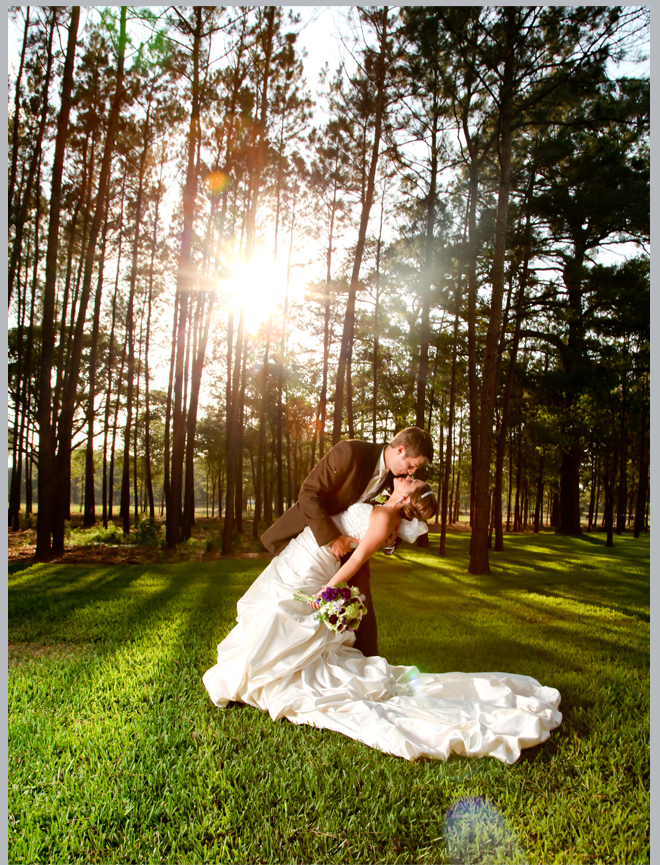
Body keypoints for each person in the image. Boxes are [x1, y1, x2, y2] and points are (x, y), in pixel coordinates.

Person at [203, 478, 562, 764]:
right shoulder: (383, 508)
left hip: (320, 570)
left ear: (407, 497)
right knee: (275, 609)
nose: (404, 478)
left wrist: (325, 593)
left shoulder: (384, 518)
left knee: (282, 613)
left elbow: (356, 561)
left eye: (410, 480)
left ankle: (262, 673)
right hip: (307, 553)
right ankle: (262, 671)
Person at [260, 426, 434, 656]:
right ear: (400, 449)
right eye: (412, 465)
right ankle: (276, 653)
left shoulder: (397, 481)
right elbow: (309, 494)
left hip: (353, 551)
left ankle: (367, 667)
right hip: (315, 538)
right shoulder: (350, 452)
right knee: (287, 601)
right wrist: (333, 539)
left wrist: (389, 541)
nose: (411, 473)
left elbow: (390, 524)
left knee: (362, 609)